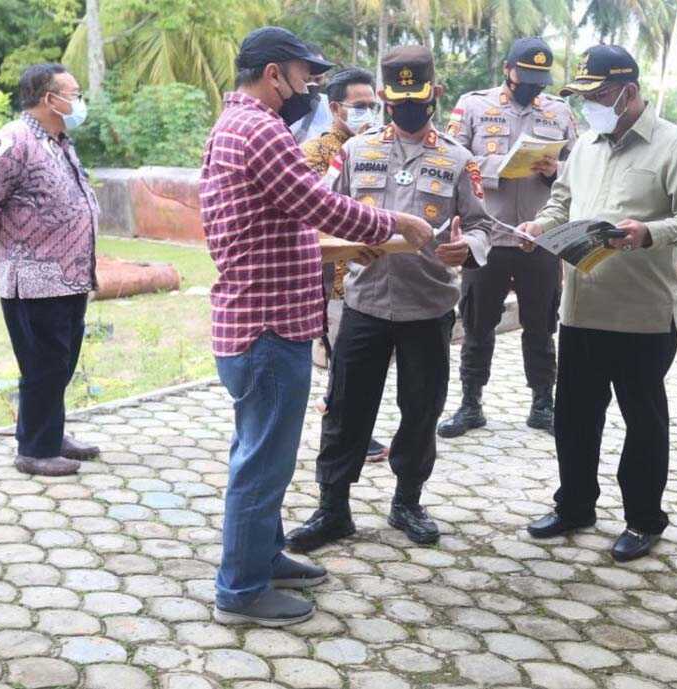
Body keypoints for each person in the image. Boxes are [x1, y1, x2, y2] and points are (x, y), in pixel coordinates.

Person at [199, 26, 433, 627]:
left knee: (259, 453)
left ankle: (264, 555)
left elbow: (280, 225)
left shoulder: (238, 125)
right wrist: (393, 223)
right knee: (262, 461)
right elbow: (317, 205)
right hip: (266, 325)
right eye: (305, 75)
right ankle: (242, 591)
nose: (310, 87)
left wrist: (341, 251)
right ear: (275, 73)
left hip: (256, 317)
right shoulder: (258, 129)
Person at [285, 45, 491, 553]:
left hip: (428, 306)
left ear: (435, 95)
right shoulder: (356, 152)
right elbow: (326, 214)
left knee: (421, 408)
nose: (407, 109)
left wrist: (469, 248)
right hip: (366, 303)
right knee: (346, 408)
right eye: (397, 100)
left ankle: (408, 501)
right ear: (383, 98)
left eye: (417, 99)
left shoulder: (459, 160)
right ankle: (333, 506)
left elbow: (484, 227)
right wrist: (344, 250)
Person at [519, 45, 677, 563]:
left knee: (642, 420)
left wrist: (649, 232)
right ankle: (575, 506)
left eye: (599, 96)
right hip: (582, 307)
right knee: (575, 416)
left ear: (628, 92)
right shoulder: (585, 143)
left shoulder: (675, 145)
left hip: (641, 314)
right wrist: (542, 224)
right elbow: (562, 200)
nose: (590, 106)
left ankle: (644, 519)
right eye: (584, 97)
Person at [0, 63, 103, 478]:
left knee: (60, 362)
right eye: (73, 93)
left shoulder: (58, 140)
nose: (79, 102)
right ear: (49, 99)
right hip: (36, 279)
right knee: (43, 365)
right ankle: (35, 450)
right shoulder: (14, 141)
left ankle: (50, 432)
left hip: (70, 276)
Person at [438, 37, 577, 437]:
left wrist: (555, 170)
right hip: (489, 234)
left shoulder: (560, 112)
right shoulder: (475, 105)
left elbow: (580, 165)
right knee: (478, 324)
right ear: (507, 69)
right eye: (526, 75)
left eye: (540, 77)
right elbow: (452, 159)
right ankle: (470, 403)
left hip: (540, 237)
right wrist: (502, 167)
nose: (534, 84)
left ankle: (542, 404)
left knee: (541, 324)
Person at [302, 67, 390, 461]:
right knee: (345, 359)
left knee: (356, 363)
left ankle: (348, 426)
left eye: (373, 105)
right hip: (335, 274)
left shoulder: (378, 146)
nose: (368, 113)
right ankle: (342, 437)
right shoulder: (316, 153)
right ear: (335, 108)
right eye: (360, 106)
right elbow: (320, 214)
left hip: (374, 270)